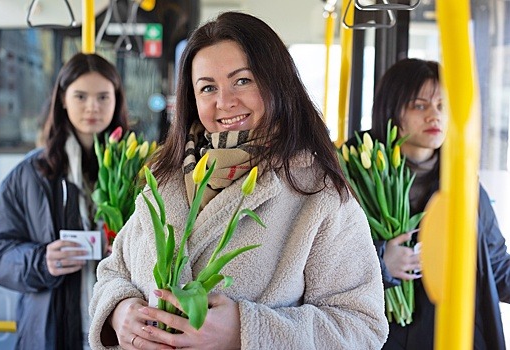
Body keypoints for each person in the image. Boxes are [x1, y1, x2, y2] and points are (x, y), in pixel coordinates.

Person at [88, 11, 389, 350]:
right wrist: (120, 310)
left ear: (277, 83)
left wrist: (246, 331)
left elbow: (362, 327)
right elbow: (113, 272)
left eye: (242, 81)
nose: (224, 101)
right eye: (207, 88)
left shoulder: (319, 195)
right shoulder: (164, 179)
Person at [356, 58, 510, 349]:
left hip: (447, 336)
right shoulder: (353, 172)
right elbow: (324, 263)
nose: (434, 116)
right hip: (377, 336)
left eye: (442, 106)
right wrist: (382, 263)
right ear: (392, 109)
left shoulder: (462, 181)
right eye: (420, 105)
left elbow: (496, 268)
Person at [0, 52, 129, 350]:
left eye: (103, 96)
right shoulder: (29, 175)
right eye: (80, 96)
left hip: (118, 333)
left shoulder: (137, 171)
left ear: (116, 100)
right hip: (48, 334)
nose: (93, 107)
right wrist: (41, 261)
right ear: (62, 99)